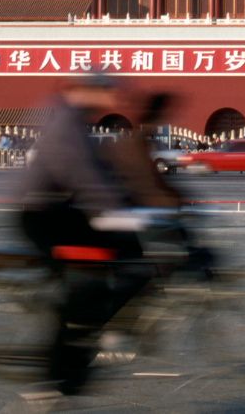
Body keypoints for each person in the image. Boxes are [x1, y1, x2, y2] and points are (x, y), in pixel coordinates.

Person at [16, 74, 167, 396]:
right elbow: (83, 176)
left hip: (67, 211)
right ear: (87, 91)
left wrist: (132, 204)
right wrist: (118, 211)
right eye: (107, 92)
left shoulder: (79, 122)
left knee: (132, 255)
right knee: (83, 288)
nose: (113, 99)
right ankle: (57, 374)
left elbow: (103, 174)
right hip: (42, 216)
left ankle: (109, 326)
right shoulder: (66, 125)